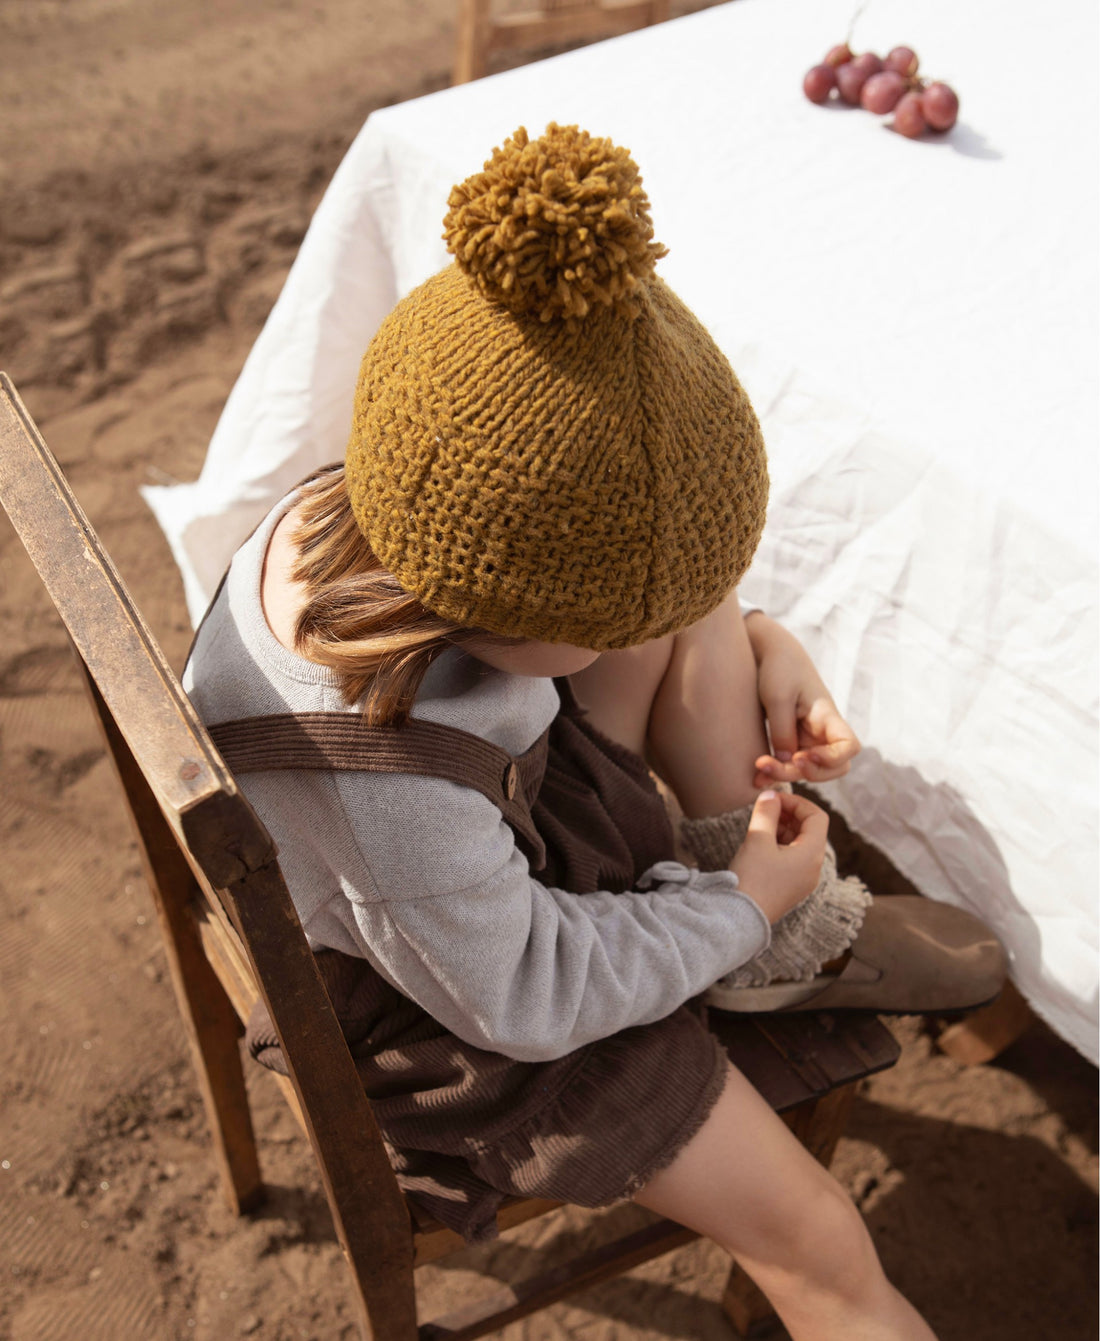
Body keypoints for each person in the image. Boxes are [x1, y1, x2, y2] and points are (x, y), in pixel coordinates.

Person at [185, 124, 1003, 1340]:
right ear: (503, 606)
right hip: (470, 1020)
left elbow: (604, 591)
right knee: (825, 1245)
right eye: (614, 616)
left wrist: (759, 640)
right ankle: (758, 930)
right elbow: (523, 995)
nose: (654, 629)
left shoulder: (376, 506)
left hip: (476, 869)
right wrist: (738, 904)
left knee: (693, 620)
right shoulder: (391, 793)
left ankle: (770, 937)